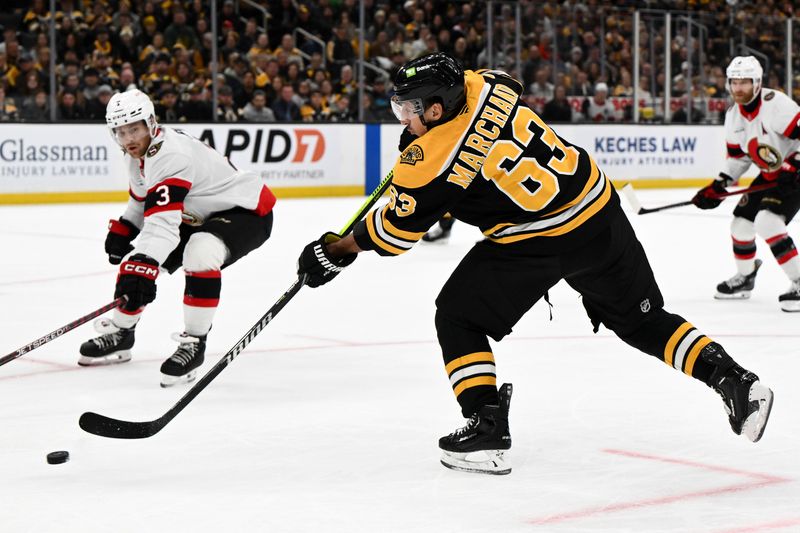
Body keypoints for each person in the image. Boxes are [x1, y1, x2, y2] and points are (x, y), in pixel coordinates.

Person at [296, 52, 774, 475]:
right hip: (598, 212)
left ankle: (486, 427)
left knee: (459, 315)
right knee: (642, 321)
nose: (403, 117)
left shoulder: (428, 161)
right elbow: (489, 114)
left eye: (410, 109)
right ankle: (735, 381)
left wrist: (338, 250)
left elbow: (396, 235)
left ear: (437, 109)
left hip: (538, 239)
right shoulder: (487, 84)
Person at [79, 89, 276, 387]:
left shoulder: (171, 154)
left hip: (245, 211)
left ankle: (194, 343)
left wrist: (146, 262)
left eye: (134, 128)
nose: (128, 138)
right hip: (198, 214)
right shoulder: (136, 156)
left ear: (151, 123)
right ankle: (122, 332)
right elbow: (141, 202)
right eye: (120, 132)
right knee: (135, 261)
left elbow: (163, 226)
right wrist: (125, 228)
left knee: (199, 251)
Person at [692, 56, 800, 312]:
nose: (738, 88)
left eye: (745, 82)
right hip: (773, 173)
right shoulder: (733, 116)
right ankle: (746, 278)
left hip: (795, 171)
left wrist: (795, 166)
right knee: (740, 226)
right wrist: (720, 184)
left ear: (758, 82)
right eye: (734, 82)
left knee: (767, 221)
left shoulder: (776, 105)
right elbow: (738, 159)